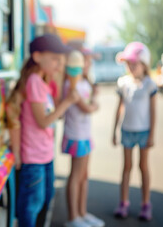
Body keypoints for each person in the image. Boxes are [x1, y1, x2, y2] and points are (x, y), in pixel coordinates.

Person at [6, 34, 79, 227]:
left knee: (45, 200)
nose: (59, 64)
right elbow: (43, 121)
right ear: (37, 57)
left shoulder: (42, 83)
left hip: (44, 156)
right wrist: (67, 103)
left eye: (60, 60)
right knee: (31, 207)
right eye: (55, 58)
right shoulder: (34, 82)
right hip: (34, 158)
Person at [112, 42, 157, 221]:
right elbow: (119, 108)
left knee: (143, 167)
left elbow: (153, 111)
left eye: (134, 64)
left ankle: (146, 204)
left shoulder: (149, 85)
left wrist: (152, 134)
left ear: (144, 64)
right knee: (126, 167)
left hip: (144, 131)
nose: (131, 67)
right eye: (128, 64)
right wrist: (114, 130)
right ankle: (124, 202)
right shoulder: (123, 83)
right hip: (127, 131)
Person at [61, 50, 104, 227]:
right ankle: (73, 217)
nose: (89, 64)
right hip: (76, 135)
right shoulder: (71, 84)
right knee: (76, 175)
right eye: (86, 61)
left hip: (84, 135)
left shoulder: (83, 82)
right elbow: (87, 108)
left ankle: (82, 212)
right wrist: (95, 103)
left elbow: (88, 105)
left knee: (84, 176)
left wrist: (93, 99)